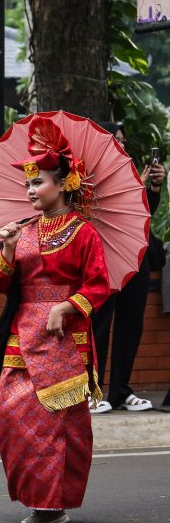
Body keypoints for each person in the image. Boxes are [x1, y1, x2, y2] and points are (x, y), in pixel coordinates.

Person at [0, 114, 109, 523]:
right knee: (6, 418)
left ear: (64, 184)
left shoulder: (84, 233)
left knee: (56, 426)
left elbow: (99, 285)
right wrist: (5, 250)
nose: (31, 190)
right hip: (23, 333)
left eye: (38, 182)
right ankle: (35, 493)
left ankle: (51, 503)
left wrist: (67, 306)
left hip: (63, 336)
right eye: (27, 184)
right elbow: (0, 285)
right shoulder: (21, 231)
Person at [89, 123, 164, 413]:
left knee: (131, 324)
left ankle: (121, 391)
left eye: (123, 140)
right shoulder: (90, 175)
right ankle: (93, 393)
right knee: (100, 325)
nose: (121, 144)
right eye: (115, 140)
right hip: (105, 256)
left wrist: (151, 188)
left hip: (136, 253)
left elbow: (144, 213)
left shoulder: (131, 173)